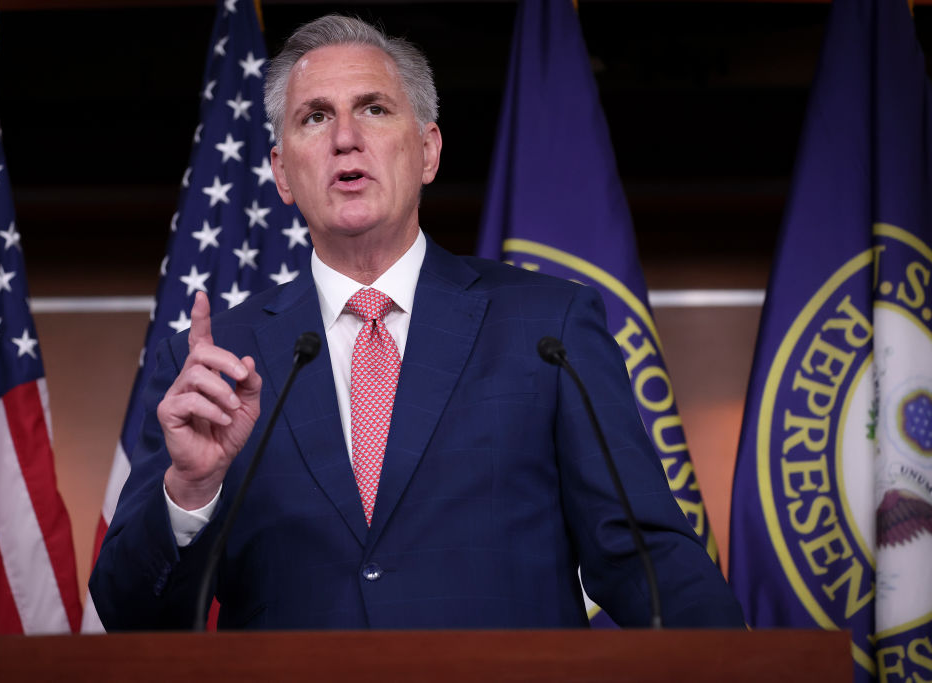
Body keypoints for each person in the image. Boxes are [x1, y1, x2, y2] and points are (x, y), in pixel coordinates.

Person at [89, 14, 744, 630]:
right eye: (315, 117)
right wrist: (190, 488)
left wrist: (749, 664)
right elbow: (128, 612)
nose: (346, 137)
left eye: (373, 109)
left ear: (428, 150)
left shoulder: (549, 330)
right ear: (282, 174)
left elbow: (645, 560)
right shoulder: (214, 360)